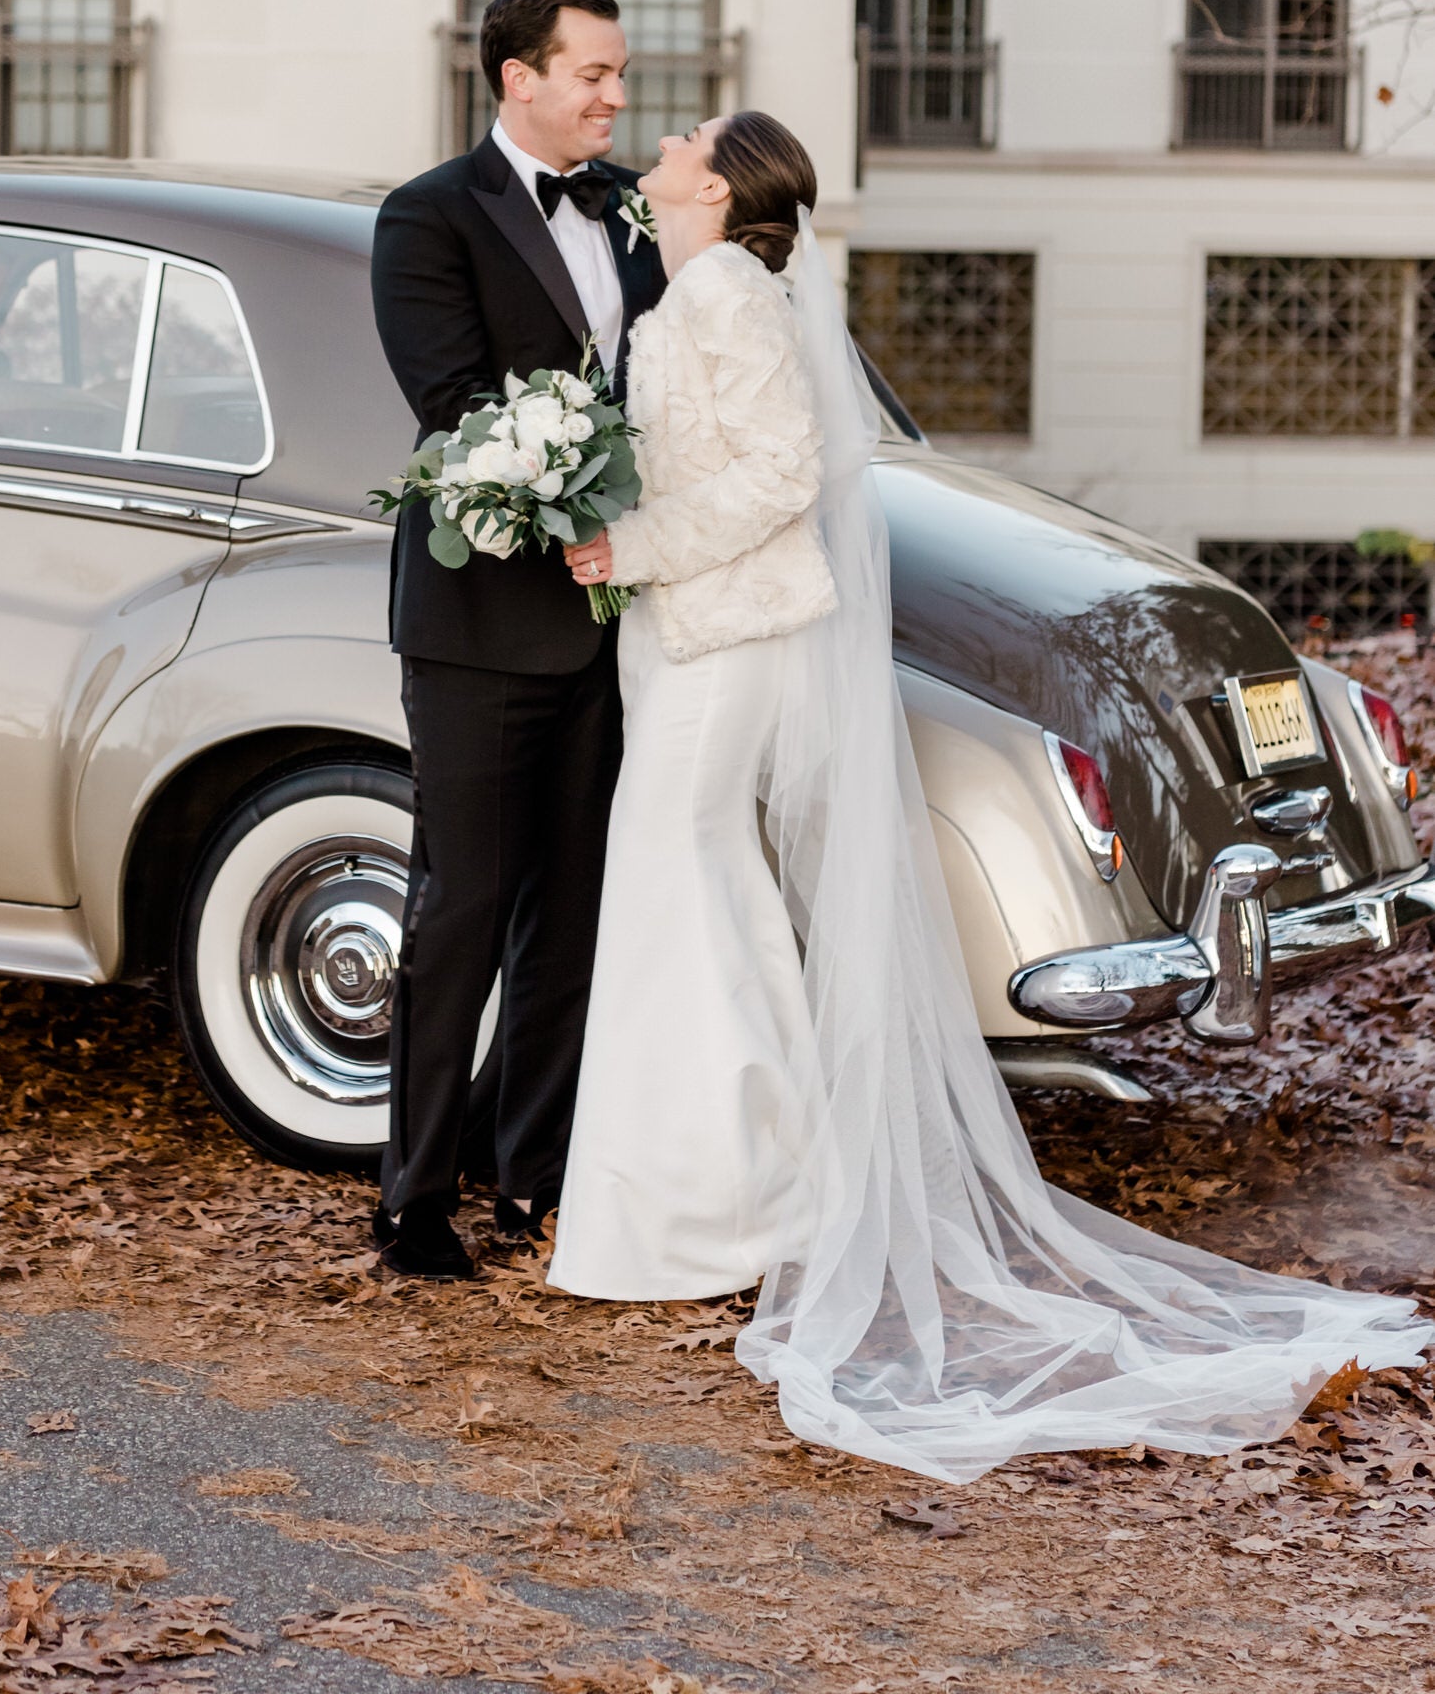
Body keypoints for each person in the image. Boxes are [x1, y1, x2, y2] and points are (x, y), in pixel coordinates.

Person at [551, 109, 1430, 1481]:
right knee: (699, 891)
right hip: (693, 635)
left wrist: (634, 544)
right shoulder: (700, 284)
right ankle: (738, 1191)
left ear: (716, 188)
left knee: (679, 879)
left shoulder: (722, 290)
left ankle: (707, 1207)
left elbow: (780, 475)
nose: (659, 134)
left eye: (686, 133)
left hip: (720, 636)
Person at [368, 0, 666, 1281]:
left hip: (614, 626)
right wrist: (584, 506)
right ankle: (412, 1195)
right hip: (480, 623)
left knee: (574, 916)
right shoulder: (428, 217)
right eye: (591, 72)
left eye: (615, 72)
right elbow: (452, 409)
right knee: (462, 910)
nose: (615, 93)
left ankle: (529, 1177)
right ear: (518, 79)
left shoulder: (635, 218)